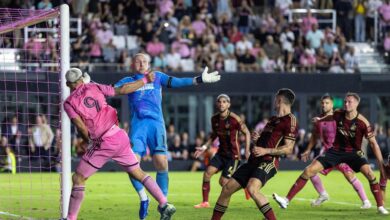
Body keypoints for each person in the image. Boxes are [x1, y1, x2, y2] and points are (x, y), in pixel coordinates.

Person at [114, 53, 220, 220]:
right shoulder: (128, 80)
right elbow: (111, 90)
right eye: (138, 61)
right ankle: (144, 198)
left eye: (144, 61)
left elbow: (177, 82)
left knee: (162, 163)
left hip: (156, 125)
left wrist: (199, 79)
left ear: (149, 64)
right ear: (132, 64)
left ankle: (163, 205)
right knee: (131, 165)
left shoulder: (157, 77)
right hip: (138, 126)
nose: (141, 64)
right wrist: (88, 86)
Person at [63, 68, 176, 220]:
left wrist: (87, 141)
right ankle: (164, 204)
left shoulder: (69, 103)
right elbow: (122, 89)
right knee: (138, 172)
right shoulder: (95, 87)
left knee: (78, 178)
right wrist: (144, 80)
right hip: (119, 135)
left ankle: (70, 218)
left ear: (67, 84)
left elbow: (80, 126)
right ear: (82, 80)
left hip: (102, 142)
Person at [273, 92, 389, 215]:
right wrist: (320, 119)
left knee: (370, 175)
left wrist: (380, 164)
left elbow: (374, 144)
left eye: (349, 102)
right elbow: (331, 117)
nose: (346, 103)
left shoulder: (363, 122)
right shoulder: (339, 113)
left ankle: (380, 207)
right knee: (308, 171)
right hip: (336, 151)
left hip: (354, 153)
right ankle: (286, 200)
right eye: (345, 101)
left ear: (356, 104)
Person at [211, 88, 298, 220]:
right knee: (227, 189)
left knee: (252, 188)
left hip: (268, 162)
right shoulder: (273, 119)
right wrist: (258, 139)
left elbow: (288, 148)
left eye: (276, 100)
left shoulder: (290, 120)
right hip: (253, 161)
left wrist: (265, 151)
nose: (274, 102)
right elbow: (269, 141)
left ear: (280, 100)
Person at [300, 94, 371, 208]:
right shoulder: (319, 120)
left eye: (327, 103)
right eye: (322, 103)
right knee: (310, 171)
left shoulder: (339, 117)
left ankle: (366, 201)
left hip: (341, 152)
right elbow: (314, 136)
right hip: (328, 153)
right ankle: (323, 194)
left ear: (332, 105)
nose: (324, 105)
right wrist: (308, 149)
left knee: (349, 175)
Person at [193, 94, 251, 208]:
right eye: (219, 101)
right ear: (217, 104)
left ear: (229, 104)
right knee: (207, 173)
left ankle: (245, 185)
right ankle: (205, 202)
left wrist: (247, 150)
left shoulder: (235, 119)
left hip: (233, 156)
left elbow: (247, 132)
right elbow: (214, 135)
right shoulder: (214, 119)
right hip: (221, 154)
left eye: (224, 102)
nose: (221, 104)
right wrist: (204, 147)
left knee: (223, 182)